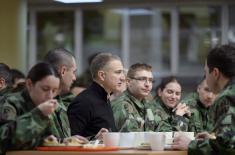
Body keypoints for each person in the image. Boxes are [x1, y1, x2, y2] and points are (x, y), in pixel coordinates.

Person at [0, 62, 87, 155]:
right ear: (29, 84)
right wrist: (38, 115)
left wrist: (63, 141)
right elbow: (4, 140)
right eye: (45, 89)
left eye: (54, 91)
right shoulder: (10, 102)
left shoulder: (48, 106)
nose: (50, 96)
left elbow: (45, 140)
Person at [172, 44, 235, 155]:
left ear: (215, 73)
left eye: (206, 73)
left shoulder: (227, 98)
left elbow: (228, 146)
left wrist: (191, 145)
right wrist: (213, 141)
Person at [68, 53, 125, 138]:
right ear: (102, 75)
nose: (123, 77)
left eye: (122, 72)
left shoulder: (105, 98)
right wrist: (94, 139)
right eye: (118, 72)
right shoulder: (83, 102)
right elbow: (71, 142)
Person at [111, 63, 155, 132]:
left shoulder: (146, 103)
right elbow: (132, 139)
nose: (147, 84)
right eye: (142, 79)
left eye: (150, 80)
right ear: (128, 82)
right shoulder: (122, 105)